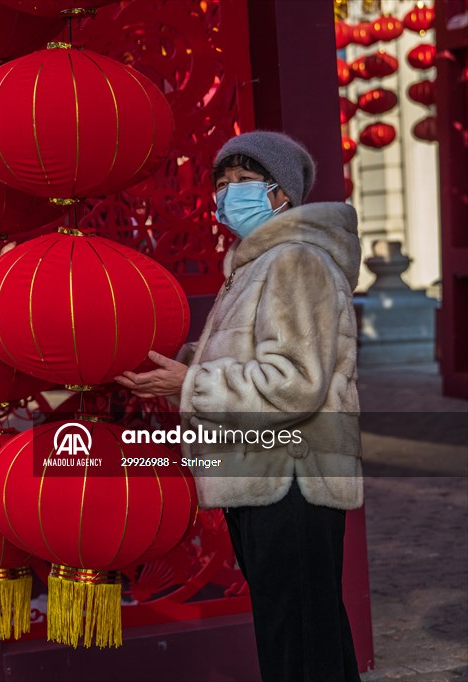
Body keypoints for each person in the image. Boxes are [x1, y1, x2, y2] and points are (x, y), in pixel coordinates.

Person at [116, 131, 363, 682]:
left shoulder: (296, 261)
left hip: (293, 477)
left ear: (281, 194)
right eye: (222, 184)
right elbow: (251, 358)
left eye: (243, 182)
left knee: (296, 639)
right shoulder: (258, 265)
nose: (228, 195)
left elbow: (296, 383)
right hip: (265, 471)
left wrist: (191, 382)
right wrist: (173, 366)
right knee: (309, 630)